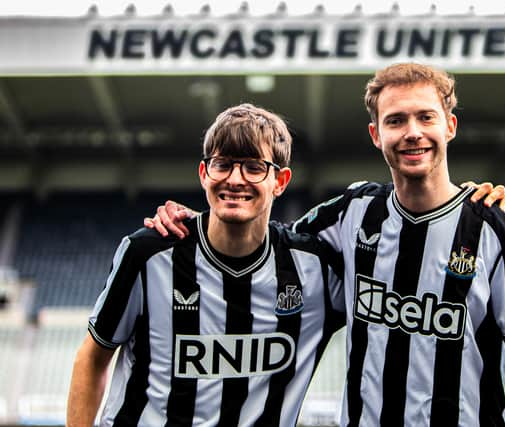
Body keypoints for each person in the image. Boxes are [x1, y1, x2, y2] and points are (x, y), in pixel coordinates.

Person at [146, 63, 505, 426]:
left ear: (449, 125)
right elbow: (265, 241)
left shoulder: (496, 231)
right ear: (377, 134)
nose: (412, 132)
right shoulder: (352, 212)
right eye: (396, 121)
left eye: (425, 117)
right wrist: (200, 221)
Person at [67, 104, 346, 427]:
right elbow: (92, 358)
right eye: (222, 165)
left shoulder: (312, 271)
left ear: (280, 181)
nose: (235, 179)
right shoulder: (149, 253)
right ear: (204, 174)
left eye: (254, 167)